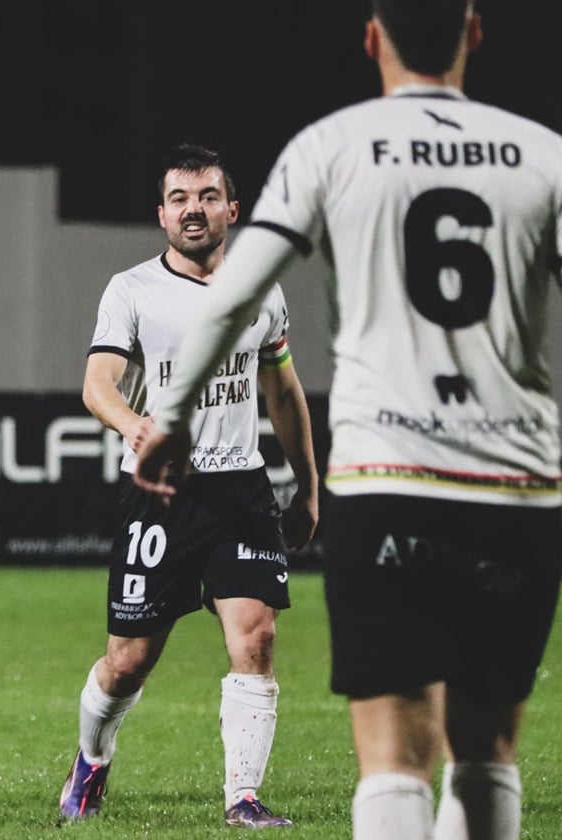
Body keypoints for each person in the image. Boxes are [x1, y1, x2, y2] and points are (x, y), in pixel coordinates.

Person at [132, 3, 562, 839]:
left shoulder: (332, 147)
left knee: (395, 760)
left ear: (373, 39)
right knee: (485, 756)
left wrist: (171, 416)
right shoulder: (542, 154)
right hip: (515, 484)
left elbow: (233, 294)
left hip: (388, 477)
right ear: (475, 32)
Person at [57, 144, 320, 829]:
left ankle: (244, 797)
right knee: (129, 660)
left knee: (255, 636)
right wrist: (135, 427)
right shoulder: (133, 289)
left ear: (232, 210)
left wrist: (309, 488)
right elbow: (97, 385)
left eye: (206, 196)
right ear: (162, 215)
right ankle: (92, 758)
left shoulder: (261, 288)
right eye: (179, 198)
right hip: (162, 496)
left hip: (242, 487)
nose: (193, 209)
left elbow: (283, 391)